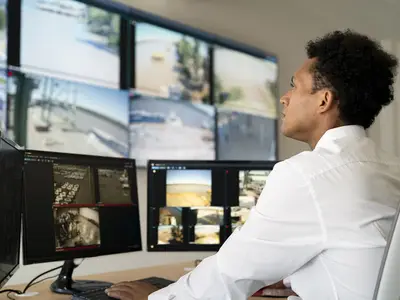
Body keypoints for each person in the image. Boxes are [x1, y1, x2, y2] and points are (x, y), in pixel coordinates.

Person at [106, 29, 400, 300]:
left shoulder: (308, 174)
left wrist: (153, 298)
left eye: (294, 86)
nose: (284, 98)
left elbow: (230, 275)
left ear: (324, 101)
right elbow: (357, 256)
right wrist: (292, 277)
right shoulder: (389, 166)